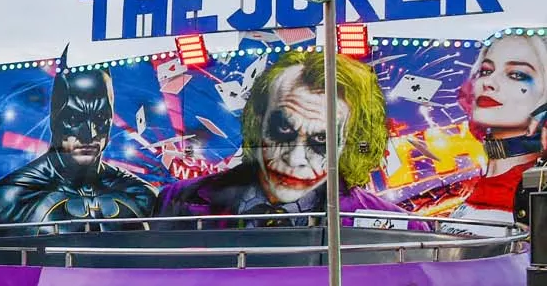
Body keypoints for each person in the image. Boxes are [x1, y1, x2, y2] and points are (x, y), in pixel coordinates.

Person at [154, 50, 407, 223]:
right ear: (258, 121)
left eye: (321, 141)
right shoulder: (177, 200)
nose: (295, 158)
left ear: (350, 143)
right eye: (283, 129)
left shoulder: (390, 222)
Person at [0, 55, 155, 231]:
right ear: (56, 122)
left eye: (99, 118)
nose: (89, 134)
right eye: (74, 119)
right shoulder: (10, 199)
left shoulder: (139, 193)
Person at [452, 33, 547, 227]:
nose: (488, 82)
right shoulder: (477, 185)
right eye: (486, 71)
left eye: (516, 74)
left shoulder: (534, 193)